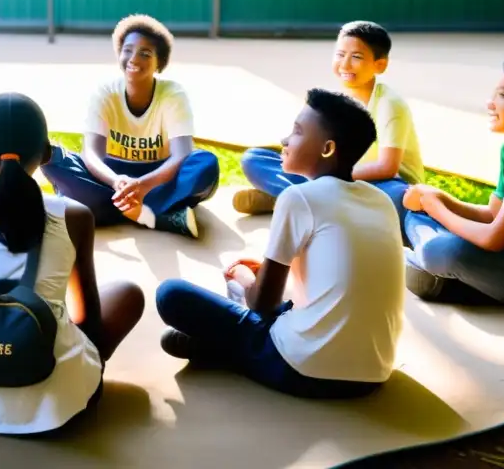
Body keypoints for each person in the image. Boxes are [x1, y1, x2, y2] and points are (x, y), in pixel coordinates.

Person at [156, 89, 404, 399]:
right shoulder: (381, 201)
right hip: (374, 372)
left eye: (297, 132)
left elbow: (263, 304)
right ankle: (223, 344)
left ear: (328, 148)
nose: (285, 140)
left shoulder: (297, 197)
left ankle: (225, 349)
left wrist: (243, 275)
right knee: (272, 308)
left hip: (301, 368)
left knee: (171, 295)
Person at [0, 92, 144, 434]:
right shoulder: (72, 215)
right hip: (52, 409)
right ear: (45, 155)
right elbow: (89, 319)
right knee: (128, 294)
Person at [403, 58, 504, 311]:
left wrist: (435, 207)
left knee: (454, 250)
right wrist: (437, 198)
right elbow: (492, 214)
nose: (490, 104)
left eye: (502, 96)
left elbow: (494, 239)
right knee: (416, 217)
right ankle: (433, 270)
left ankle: (423, 262)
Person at [41, 14, 220, 239]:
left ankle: (106, 209)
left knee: (205, 165)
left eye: (145, 53)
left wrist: (143, 185)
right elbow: (91, 154)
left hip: (160, 177)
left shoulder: (173, 95)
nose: (134, 58)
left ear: (159, 63)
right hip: (112, 177)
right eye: (127, 50)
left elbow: (182, 154)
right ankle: (158, 215)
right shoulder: (105, 93)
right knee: (52, 161)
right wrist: (116, 181)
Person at [235, 20, 424, 230]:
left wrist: (331, 175)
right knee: (255, 159)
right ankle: (304, 200)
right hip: (341, 180)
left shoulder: (389, 104)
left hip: (385, 184)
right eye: (340, 54)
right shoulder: (339, 100)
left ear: (380, 65)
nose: (345, 64)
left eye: (356, 57)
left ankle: (291, 199)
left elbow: (387, 167)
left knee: (394, 197)